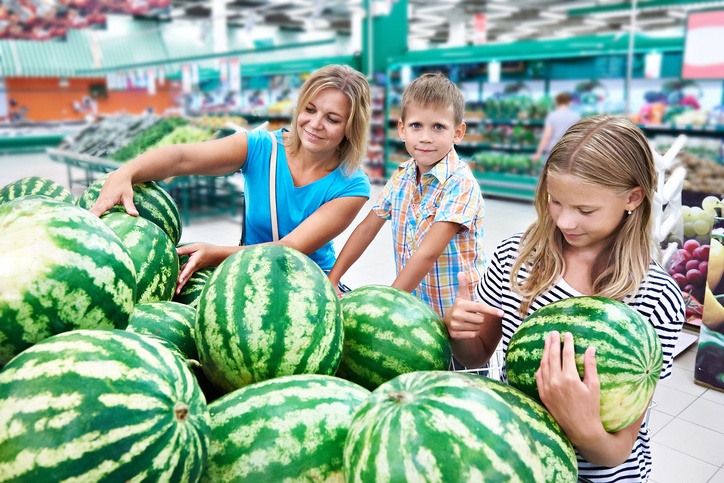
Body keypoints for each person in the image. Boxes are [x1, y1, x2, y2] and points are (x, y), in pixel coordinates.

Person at [444, 114, 685, 482]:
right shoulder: (516, 258)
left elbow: (616, 451)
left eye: (586, 210)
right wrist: (461, 332)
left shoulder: (656, 296)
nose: (565, 222)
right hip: (523, 458)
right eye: (555, 202)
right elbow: (477, 355)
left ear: (633, 198)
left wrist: (580, 424)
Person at [89, 64, 372, 293]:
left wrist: (216, 254)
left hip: (310, 287)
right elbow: (181, 158)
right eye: (309, 110)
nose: (315, 124)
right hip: (245, 273)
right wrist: (125, 172)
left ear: (350, 127)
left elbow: (292, 248)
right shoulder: (261, 148)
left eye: (332, 119)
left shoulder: (352, 185)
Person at [328, 72, 486, 319]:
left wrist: (387, 307)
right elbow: (367, 228)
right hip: (415, 311)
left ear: (458, 132)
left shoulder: (460, 183)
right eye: (416, 125)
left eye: (438, 127)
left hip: (457, 315)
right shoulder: (402, 176)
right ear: (402, 129)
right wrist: (333, 279)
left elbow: (428, 253)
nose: (425, 137)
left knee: (460, 360)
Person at [531, 91, 580, 163]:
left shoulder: (552, 116)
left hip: (554, 150)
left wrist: (538, 153)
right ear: (568, 102)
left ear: (557, 102)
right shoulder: (576, 116)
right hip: (569, 150)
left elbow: (547, 136)